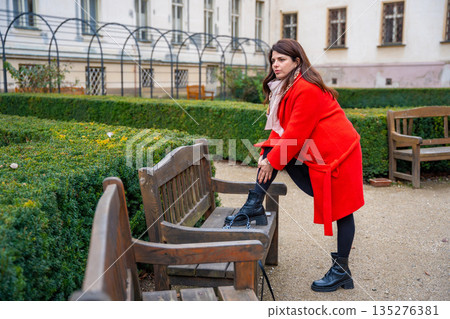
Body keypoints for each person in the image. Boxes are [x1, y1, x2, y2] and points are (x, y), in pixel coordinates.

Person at [224, 39, 365, 292]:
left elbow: (296, 135)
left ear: (296, 61)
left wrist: (272, 159)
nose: (275, 64)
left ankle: (342, 271)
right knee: (270, 148)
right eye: (273, 60)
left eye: (281, 60)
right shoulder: (287, 87)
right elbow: (283, 131)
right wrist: (269, 156)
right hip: (319, 154)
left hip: (340, 155)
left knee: (344, 211)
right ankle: (254, 204)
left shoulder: (306, 88)